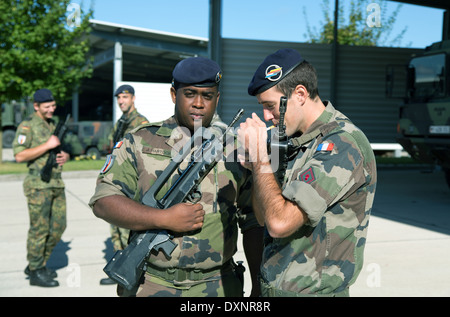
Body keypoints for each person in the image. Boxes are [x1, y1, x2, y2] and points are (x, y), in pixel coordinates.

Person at [89, 56, 263, 297]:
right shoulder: (140, 141)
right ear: (174, 94)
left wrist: (257, 286)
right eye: (190, 94)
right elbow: (103, 202)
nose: (199, 104)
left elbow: (254, 222)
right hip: (152, 284)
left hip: (219, 286)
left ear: (217, 98)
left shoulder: (237, 149)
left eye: (208, 95)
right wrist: (163, 218)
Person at [237, 48, 377, 297]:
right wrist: (257, 169)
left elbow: (280, 223)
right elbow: (265, 219)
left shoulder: (342, 143)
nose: (267, 117)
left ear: (300, 94)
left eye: (270, 106)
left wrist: (260, 160)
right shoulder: (295, 141)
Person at [13, 88, 70, 287]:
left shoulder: (52, 124)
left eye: (53, 105)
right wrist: (47, 145)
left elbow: (58, 150)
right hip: (38, 185)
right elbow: (19, 155)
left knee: (59, 226)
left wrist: (64, 156)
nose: (51, 109)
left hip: (55, 183)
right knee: (39, 229)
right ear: (36, 106)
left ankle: (38, 263)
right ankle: (36, 270)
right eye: (47, 106)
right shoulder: (27, 126)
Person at [100, 84, 150, 285]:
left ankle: (131, 270)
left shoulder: (141, 122)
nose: (121, 101)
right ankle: (121, 268)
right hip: (117, 182)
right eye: (119, 98)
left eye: (125, 97)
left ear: (133, 99)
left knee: (128, 228)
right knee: (115, 228)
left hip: (132, 184)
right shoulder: (120, 122)